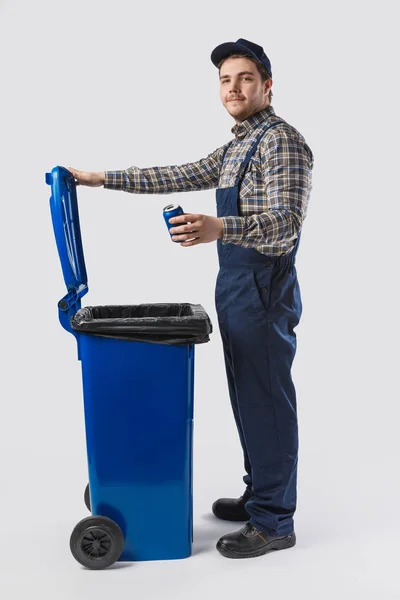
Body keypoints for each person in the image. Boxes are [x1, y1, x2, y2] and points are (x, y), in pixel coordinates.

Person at [67, 37, 314, 560]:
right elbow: (177, 174)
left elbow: (286, 227)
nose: (234, 87)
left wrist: (219, 227)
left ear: (267, 86)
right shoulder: (238, 146)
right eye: (225, 80)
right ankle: (260, 495)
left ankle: (275, 521)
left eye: (245, 78)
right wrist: (97, 179)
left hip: (264, 288)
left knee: (266, 398)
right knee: (248, 395)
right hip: (237, 286)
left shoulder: (282, 142)